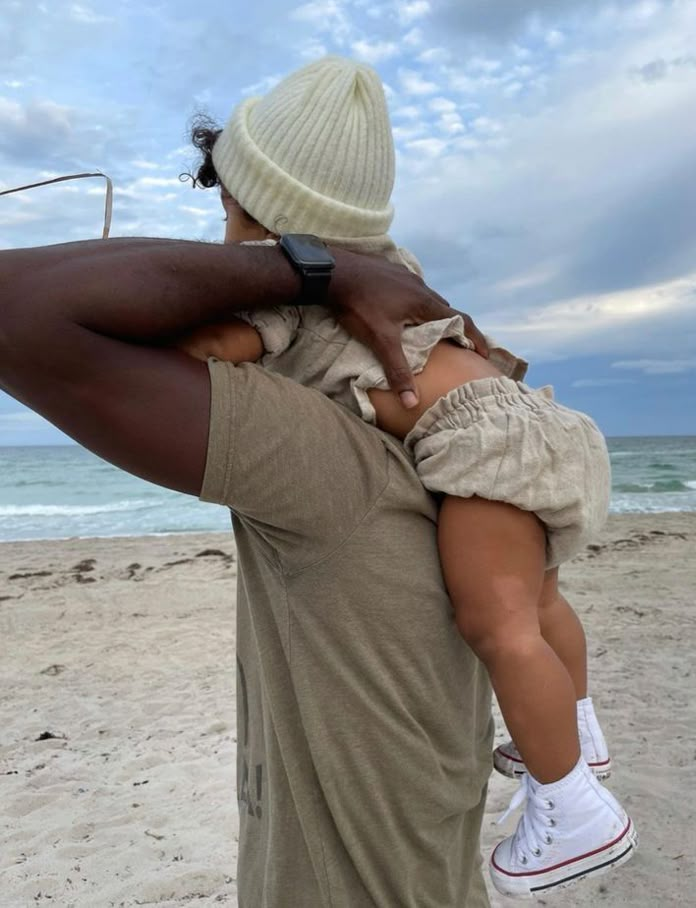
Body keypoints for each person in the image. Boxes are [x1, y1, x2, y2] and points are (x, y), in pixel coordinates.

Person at [174, 56, 638, 898]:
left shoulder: (288, 297)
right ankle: (578, 729)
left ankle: (572, 802)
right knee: (537, 606)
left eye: (227, 207)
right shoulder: (390, 270)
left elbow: (201, 355)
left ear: (257, 211)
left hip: (479, 451)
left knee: (495, 626)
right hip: (527, 426)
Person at [0, 218, 503, 904]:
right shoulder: (434, 442)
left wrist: (314, 273)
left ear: (282, 227)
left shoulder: (330, 464)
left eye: (233, 212)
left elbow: (13, 307)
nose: (221, 241)